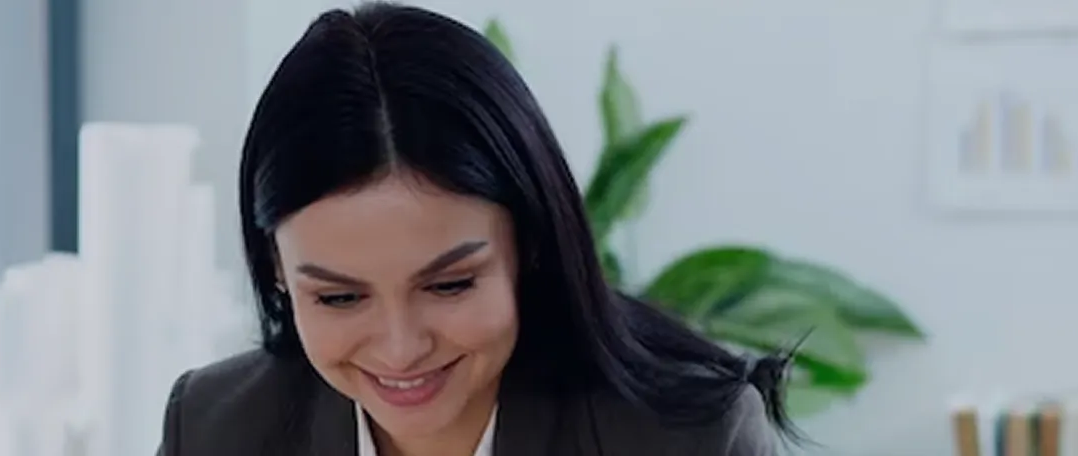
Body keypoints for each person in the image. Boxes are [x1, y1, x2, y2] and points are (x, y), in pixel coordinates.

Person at [156, 2, 795, 455]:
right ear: (277, 271)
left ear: (530, 244)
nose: (401, 349)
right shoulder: (215, 429)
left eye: (450, 285)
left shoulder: (687, 439)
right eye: (340, 297)